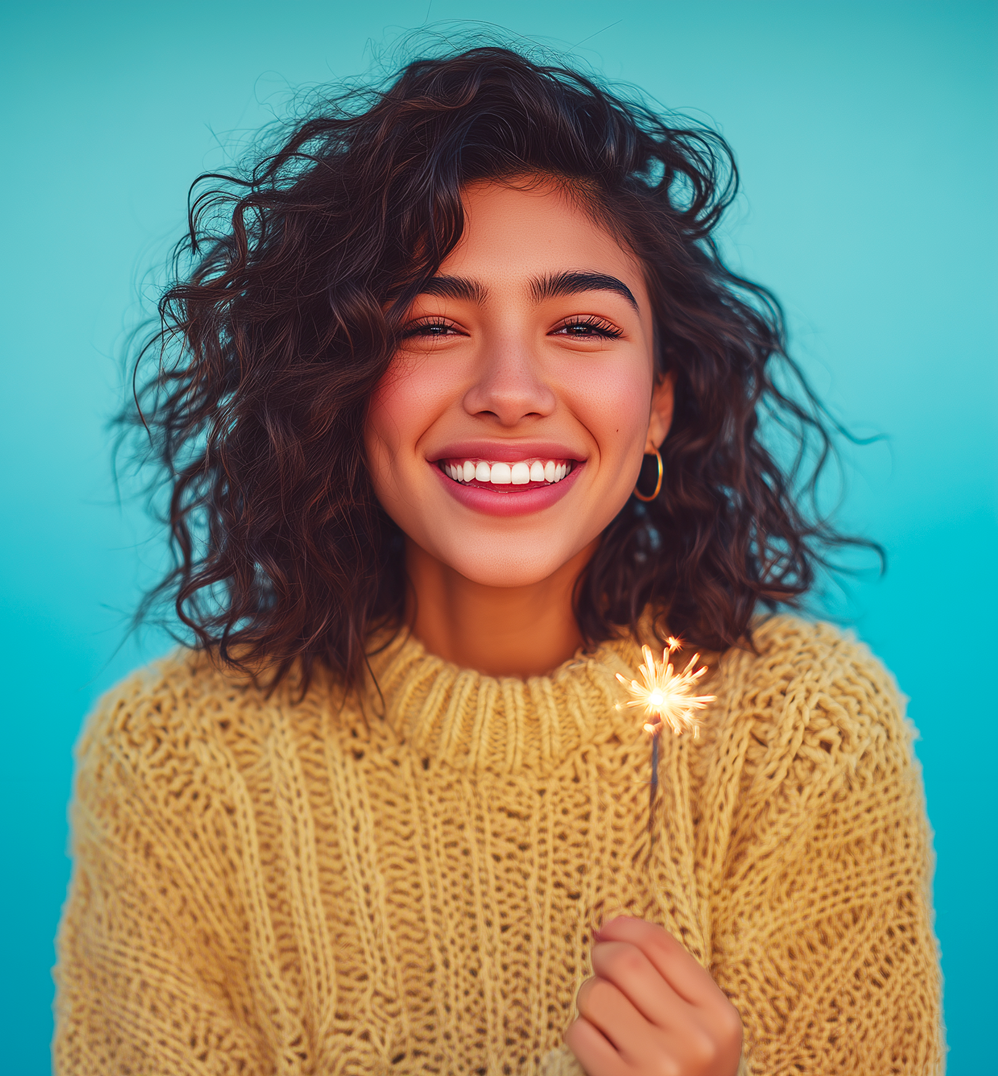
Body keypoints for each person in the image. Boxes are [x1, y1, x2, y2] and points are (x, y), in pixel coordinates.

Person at [52, 45, 944, 1076]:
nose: (510, 390)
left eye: (582, 325)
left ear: (657, 404)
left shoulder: (804, 734)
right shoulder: (176, 762)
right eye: (432, 324)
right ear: (342, 385)